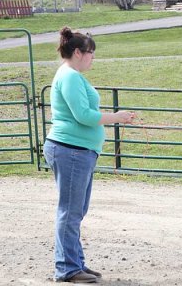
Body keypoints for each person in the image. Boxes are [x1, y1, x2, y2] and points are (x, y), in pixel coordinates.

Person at [43, 27, 135, 283]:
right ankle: (68, 268)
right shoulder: (70, 77)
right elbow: (83, 116)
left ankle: (75, 263)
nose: (93, 58)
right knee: (70, 211)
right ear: (77, 52)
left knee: (75, 211)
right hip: (70, 150)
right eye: (91, 53)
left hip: (77, 151)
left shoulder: (72, 75)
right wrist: (116, 118)